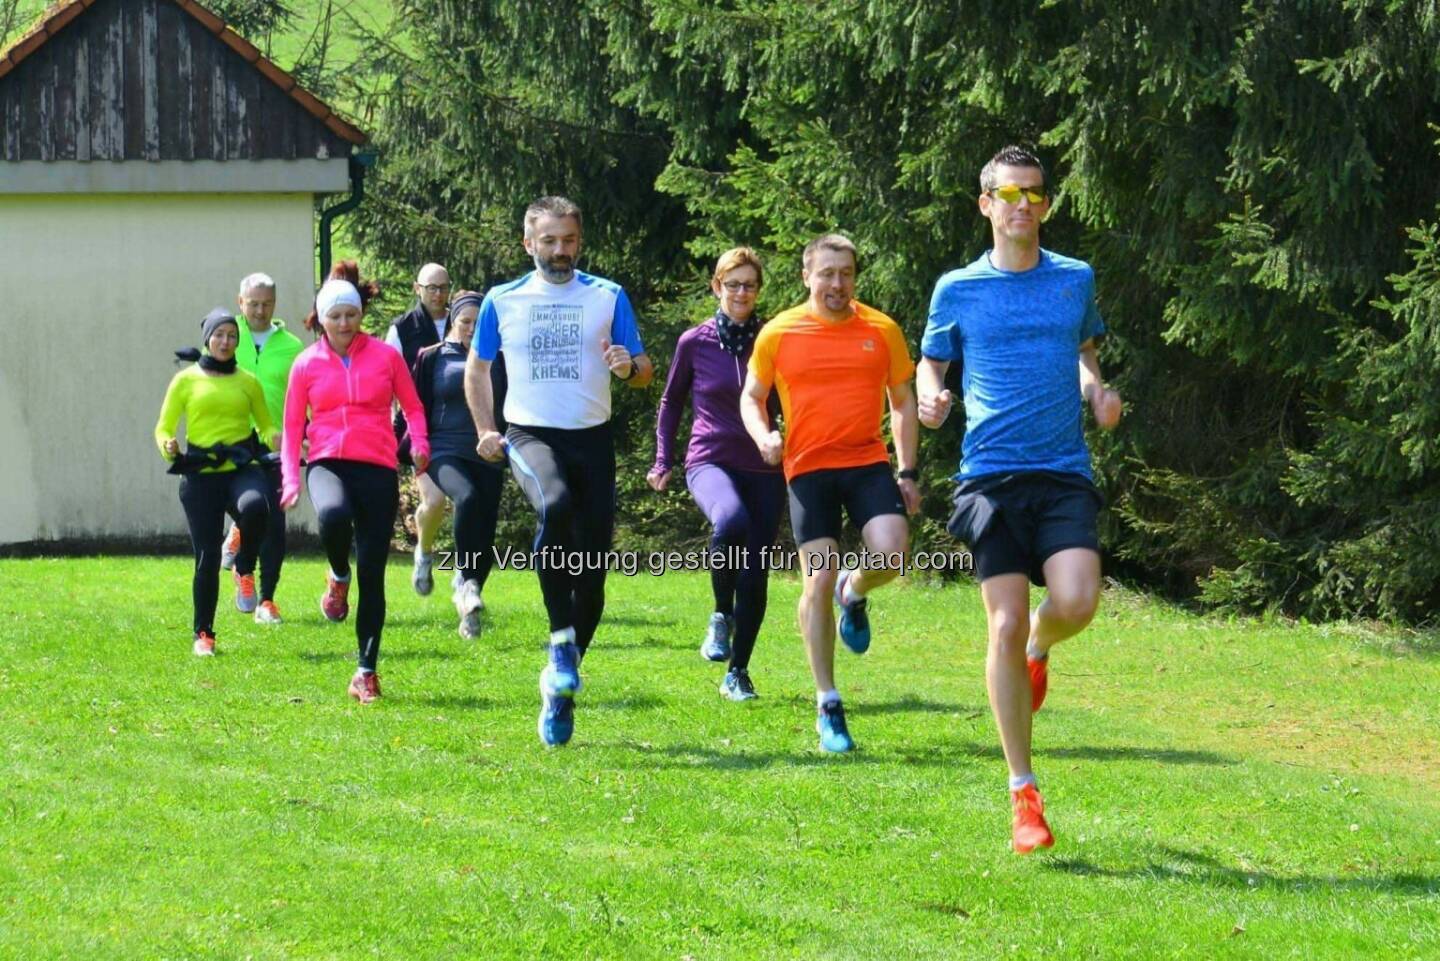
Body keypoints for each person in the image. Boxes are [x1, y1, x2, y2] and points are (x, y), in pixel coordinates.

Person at [916, 145, 1123, 854]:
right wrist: (928, 397)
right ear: (985, 203)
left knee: (1077, 602)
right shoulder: (957, 289)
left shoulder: (1074, 279)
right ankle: (1022, 792)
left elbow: (1084, 349)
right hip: (990, 475)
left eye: (1035, 194)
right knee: (999, 625)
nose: (1023, 205)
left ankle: (1043, 640)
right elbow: (931, 360)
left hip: (1062, 468)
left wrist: (1096, 389)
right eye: (1009, 193)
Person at [465, 195, 654, 746]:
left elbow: (642, 369)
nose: (559, 250)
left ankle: (561, 682)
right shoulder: (504, 299)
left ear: (580, 241)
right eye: (548, 241)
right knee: (554, 504)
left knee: (592, 574)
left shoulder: (607, 296)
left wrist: (629, 367)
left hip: (592, 439)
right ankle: (559, 638)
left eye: (569, 240)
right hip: (529, 433)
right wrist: (485, 429)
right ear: (529, 244)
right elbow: (478, 368)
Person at [740, 233, 920, 753]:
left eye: (845, 273)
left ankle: (855, 590)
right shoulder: (779, 332)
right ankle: (828, 702)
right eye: (826, 274)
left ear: (854, 277)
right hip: (807, 467)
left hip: (867, 461)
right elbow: (752, 397)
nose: (836, 284)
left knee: (892, 553)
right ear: (806, 276)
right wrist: (764, 435)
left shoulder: (881, 329)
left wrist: (907, 471)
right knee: (814, 582)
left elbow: (903, 402)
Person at [280, 263, 431, 704]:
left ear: (360, 314)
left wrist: (419, 444)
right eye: (335, 316)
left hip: (377, 464)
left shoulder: (386, 357)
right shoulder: (306, 364)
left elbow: (413, 408)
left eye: (351, 314)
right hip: (327, 461)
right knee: (332, 515)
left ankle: (366, 670)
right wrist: (290, 478)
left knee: (375, 573)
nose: (344, 323)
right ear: (321, 319)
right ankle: (337, 574)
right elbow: (291, 430)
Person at [649, 247, 786, 701]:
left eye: (749, 284)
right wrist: (662, 459)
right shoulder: (695, 341)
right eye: (733, 284)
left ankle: (738, 672)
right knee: (729, 522)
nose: (742, 292)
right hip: (709, 459)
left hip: (765, 465)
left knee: (755, 570)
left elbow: (790, 400)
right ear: (717, 287)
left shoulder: (772, 339)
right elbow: (670, 402)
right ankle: (720, 615)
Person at [155, 309, 276, 656]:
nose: (225, 342)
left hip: (240, 466)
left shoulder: (247, 382)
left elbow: (265, 424)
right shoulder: (186, 381)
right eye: (219, 335)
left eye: (232, 336)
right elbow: (163, 427)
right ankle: (204, 634)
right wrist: (168, 447)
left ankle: (243, 567)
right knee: (207, 557)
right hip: (200, 473)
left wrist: (275, 436)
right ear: (207, 338)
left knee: (256, 507)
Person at [412, 290, 503, 639]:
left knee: (486, 530)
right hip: (443, 450)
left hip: (488, 450)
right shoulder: (432, 357)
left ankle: (471, 600)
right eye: (465, 321)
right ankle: (464, 580)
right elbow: (415, 405)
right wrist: (415, 445)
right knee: (465, 497)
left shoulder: (499, 358)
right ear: (453, 321)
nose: (471, 328)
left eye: (479, 323)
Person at [218, 272, 305, 625]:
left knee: (276, 519)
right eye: (253, 303)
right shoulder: (225, 336)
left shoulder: (291, 346)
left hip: (275, 442)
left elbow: (303, 395)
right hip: (233, 440)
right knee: (251, 510)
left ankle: (267, 599)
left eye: (266, 304)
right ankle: (242, 556)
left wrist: (308, 431)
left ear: (275, 304)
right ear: (240, 302)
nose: (259, 310)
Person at [386, 262, 452, 598]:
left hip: (461, 426)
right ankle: (424, 553)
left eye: (443, 287)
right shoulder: (401, 329)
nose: (438, 294)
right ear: (418, 289)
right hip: (420, 430)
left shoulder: (464, 322)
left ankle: (468, 581)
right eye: (431, 288)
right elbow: (387, 383)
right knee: (436, 500)